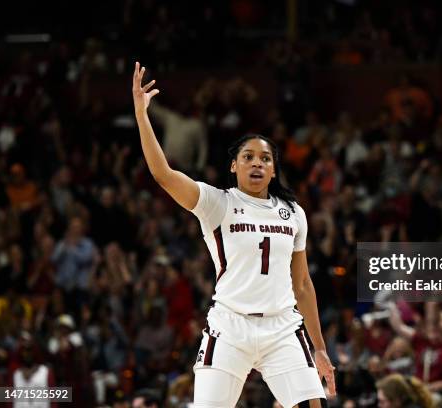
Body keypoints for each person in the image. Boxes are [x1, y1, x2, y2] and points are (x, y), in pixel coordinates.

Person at [132, 62, 335, 408]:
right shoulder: (217, 203)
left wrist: (319, 349)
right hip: (230, 327)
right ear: (234, 165)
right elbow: (163, 174)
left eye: (265, 159)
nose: (257, 163)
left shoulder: (294, 213)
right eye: (248, 156)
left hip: (283, 327)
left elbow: (302, 286)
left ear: (273, 170)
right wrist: (141, 114)